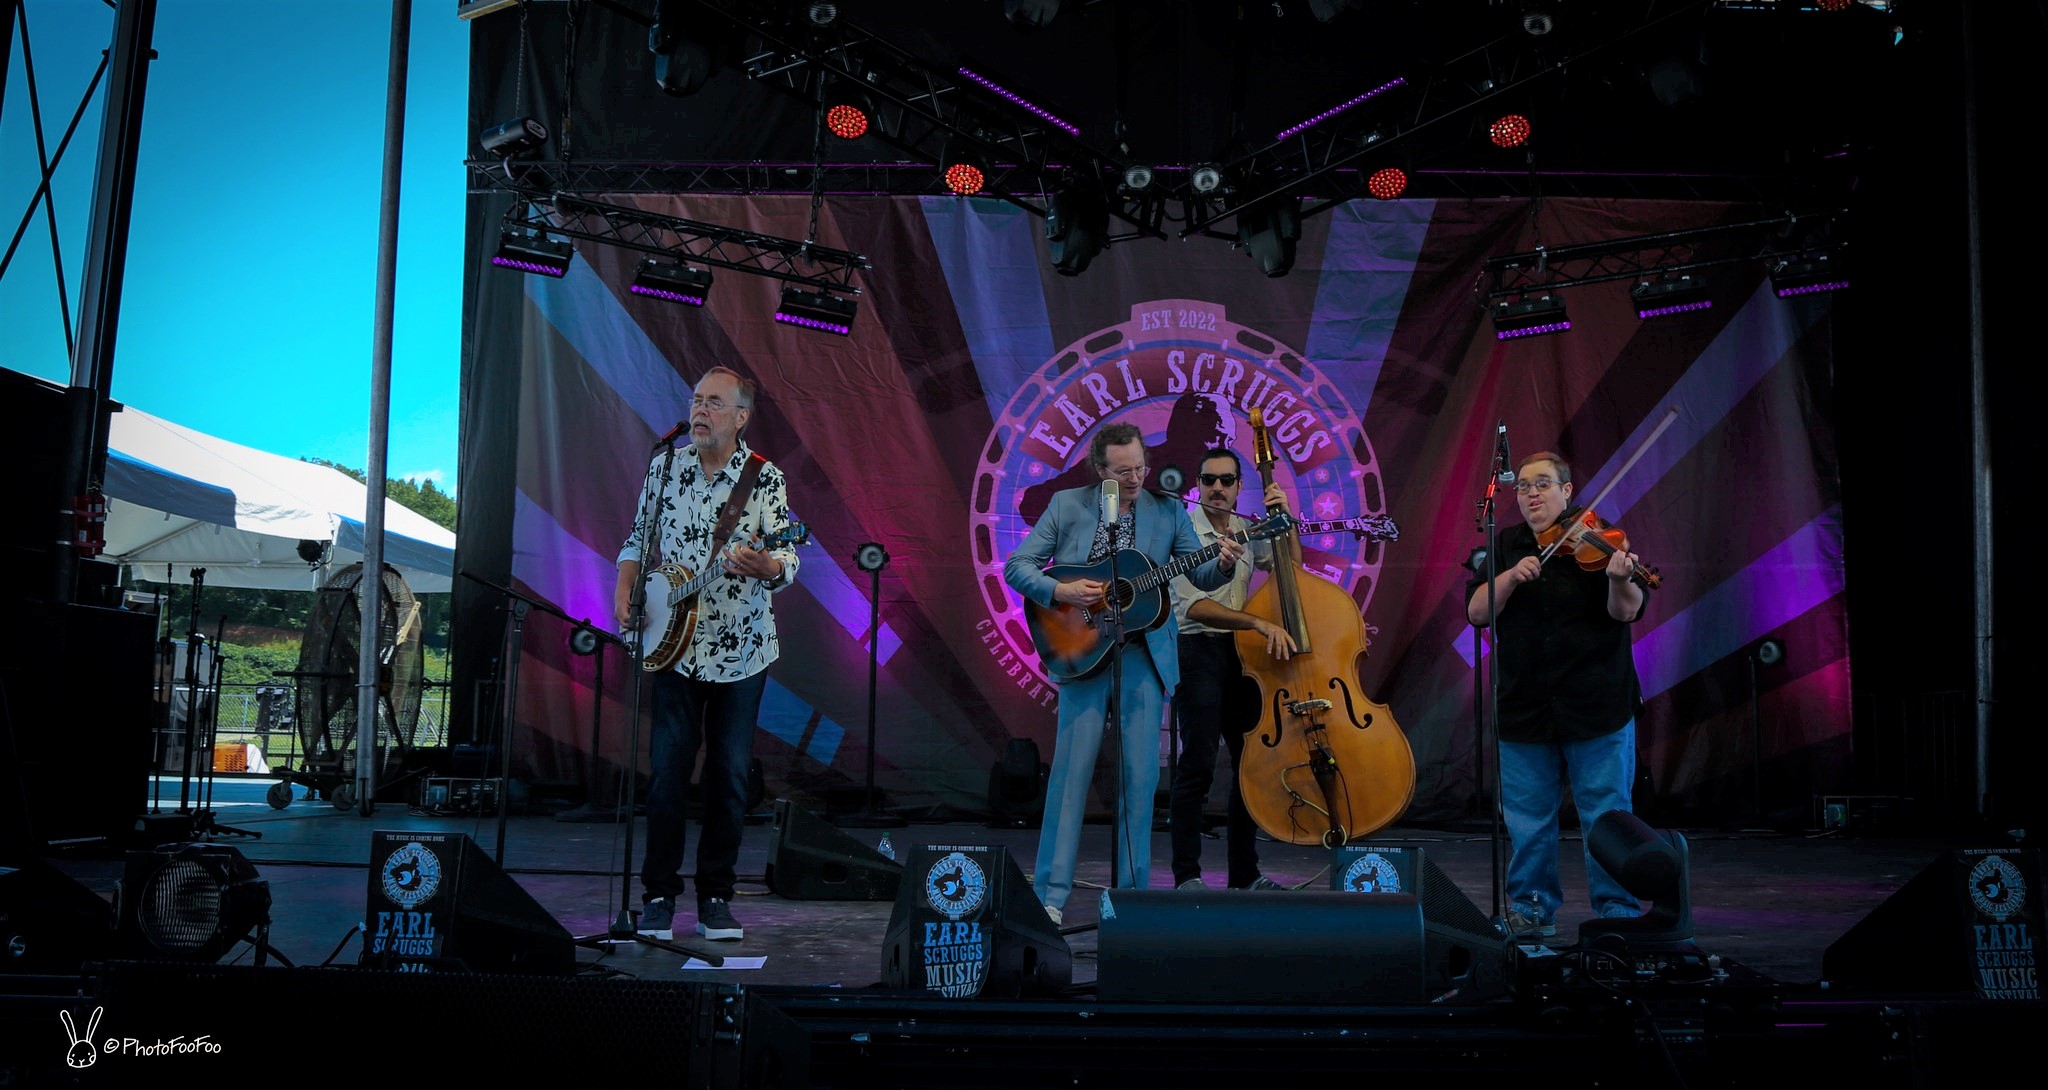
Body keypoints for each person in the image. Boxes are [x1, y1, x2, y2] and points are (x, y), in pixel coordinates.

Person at [1004, 422, 1244, 924]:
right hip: (1082, 650)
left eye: (1140, 466)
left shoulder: (1169, 510)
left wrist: (1221, 564)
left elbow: (1197, 572)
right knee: (1070, 778)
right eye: (1123, 470)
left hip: (1142, 654)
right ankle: (1050, 897)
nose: (1135, 476)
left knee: (1139, 780)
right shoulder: (1068, 505)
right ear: (1100, 470)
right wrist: (1061, 592)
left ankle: (1131, 899)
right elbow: (1018, 566)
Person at [615, 366, 800, 943]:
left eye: (714, 403)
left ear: (740, 416)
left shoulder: (765, 479)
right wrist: (624, 590)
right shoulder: (664, 466)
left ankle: (716, 895)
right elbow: (637, 538)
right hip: (671, 645)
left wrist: (769, 566)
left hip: (742, 648)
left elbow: (787, 557)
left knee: (727, 775)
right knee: (667, 774)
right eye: (697, 400)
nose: (700, 410)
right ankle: (658, 897)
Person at [1465, 450, 1648, 938]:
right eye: (1524, 487)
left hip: (1596, 703)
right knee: (1527, 821)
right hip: (1525, 703)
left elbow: (1626, 612)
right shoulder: (1504, 544)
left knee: (1607, 814)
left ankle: (1617, 910)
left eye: (1543, 484)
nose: (1532, 495)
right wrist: (1509, 577)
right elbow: (1478, 612)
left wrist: (1620, 578)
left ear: (1567, 491)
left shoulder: (1601, 539)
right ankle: (1530, 908)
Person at [1167, 447, 1298, 892]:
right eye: (1209, 480)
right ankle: (1187, 876)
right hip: (1196, 648)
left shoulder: (1245, 527)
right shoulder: (1184, 533)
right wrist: (1258, 622)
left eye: (1226, 480)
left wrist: (1284, 519)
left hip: (1241, 655)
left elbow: (1290, 567)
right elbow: (1198, 607)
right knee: (1199, 763)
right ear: (1197, 485)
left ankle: (1245, 875)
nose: (1218, 488)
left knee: (1251, 766)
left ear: (1241, 486)